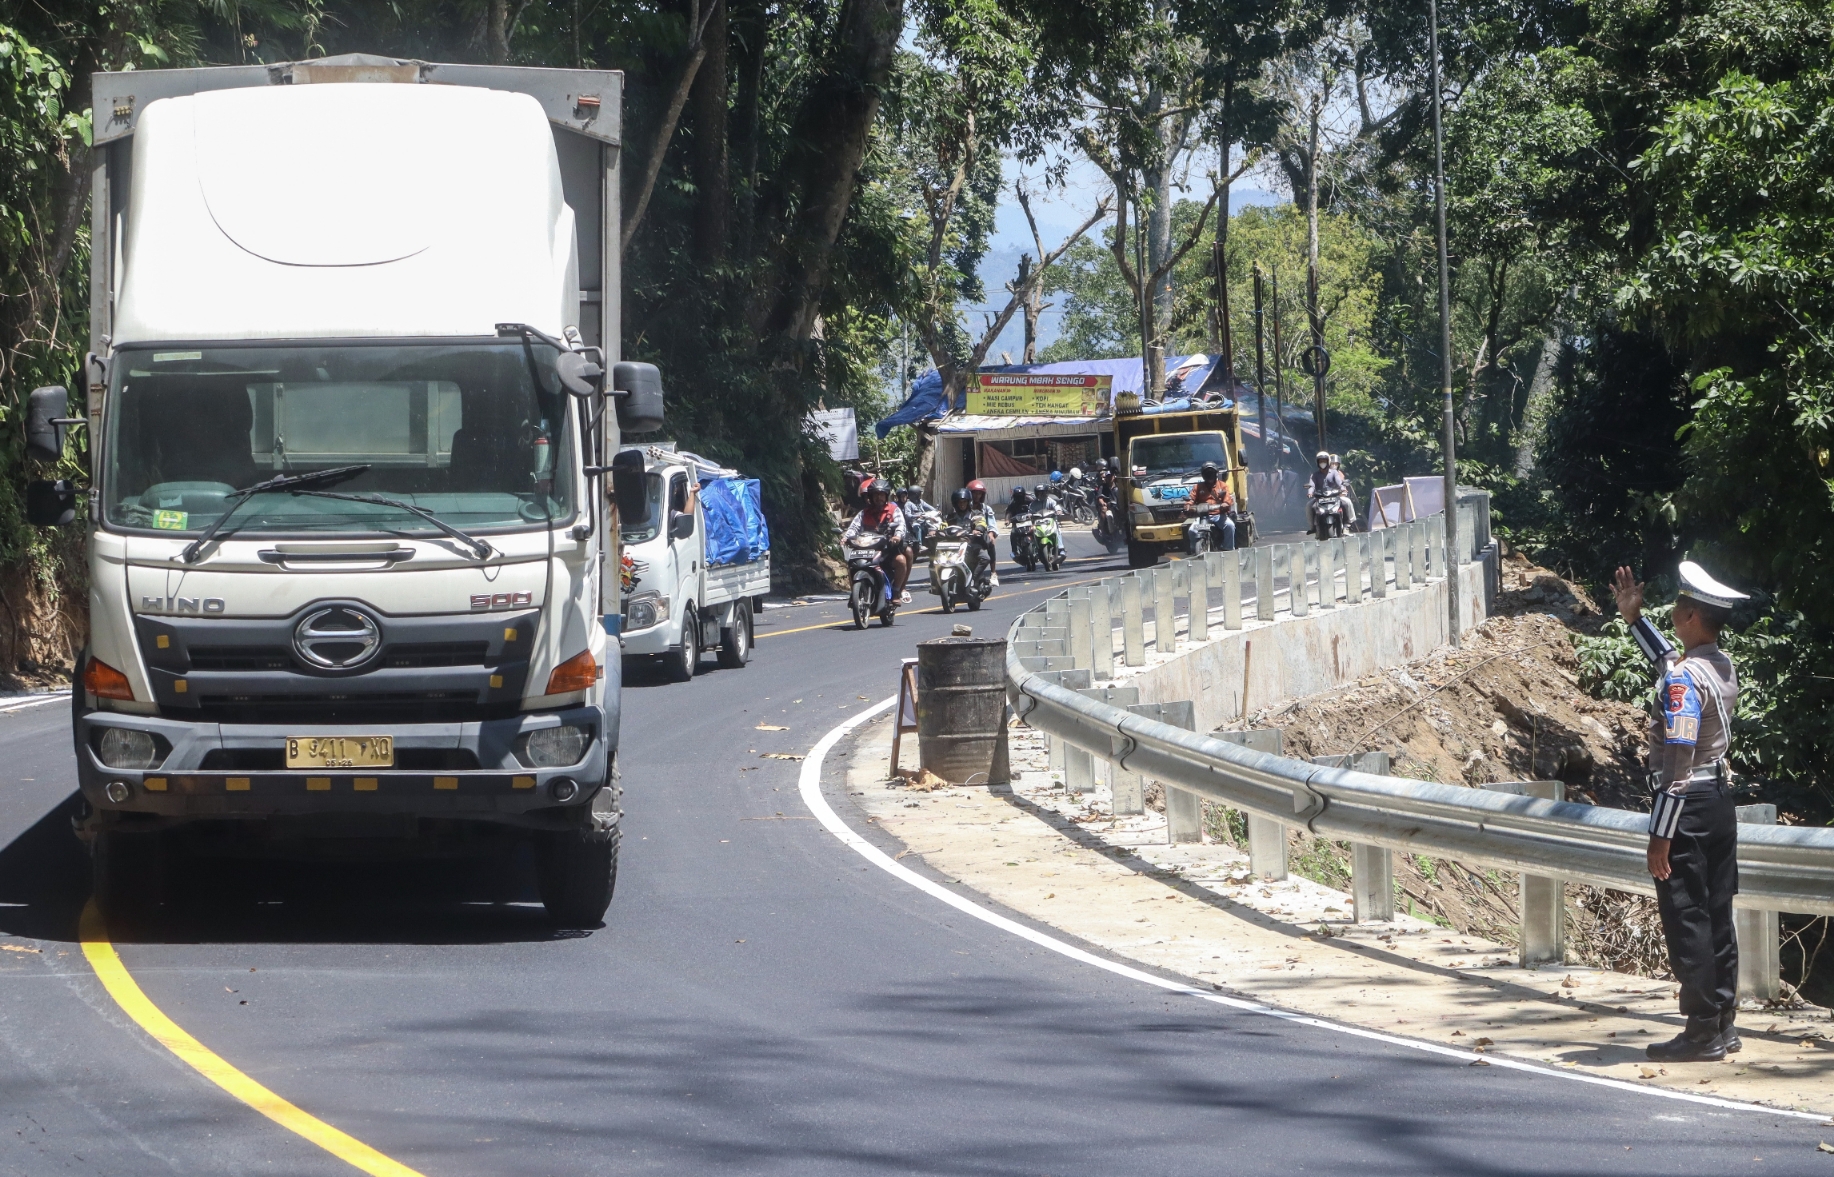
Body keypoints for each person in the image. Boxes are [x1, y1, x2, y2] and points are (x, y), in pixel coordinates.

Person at [1612, 560, 1748, 1063]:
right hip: (1719, 804)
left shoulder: (1683, 682)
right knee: (1717, 914)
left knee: (1687, 917)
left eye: (1677, 606)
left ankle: (1701, 1031)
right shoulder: (1720, 666)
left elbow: (1677, 764)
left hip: (1687, 807)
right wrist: (1635, 619)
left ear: (1690, 616)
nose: (1672, 612)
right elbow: (1671, 662)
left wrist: (1661, 833)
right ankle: (1723, 1021)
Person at [842, 477, 911, 604]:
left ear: (886, 496)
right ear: (871, 497)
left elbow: (901, 525)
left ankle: (896, 591)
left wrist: (897, 536)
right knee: (851, 564)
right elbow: (854, 527)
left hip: (886, 551)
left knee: (901, 560)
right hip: (867, 550)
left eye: (881, 495)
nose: (879, 498)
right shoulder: (864, 513)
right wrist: (846, 537)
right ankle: (855, 594)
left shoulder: (894, 510)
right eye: (875, 495)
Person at [945, 487, 998, 587]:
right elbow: (943, 526)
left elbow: (981, 522)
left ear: (968, 502)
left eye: (964, 502)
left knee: (985, 558)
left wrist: (978, 529)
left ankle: (974, 578)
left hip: (971, 544)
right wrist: (934, 531)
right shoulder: (950, 517)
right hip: (955, 546)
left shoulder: (975, 513)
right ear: (955, 503)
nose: (962, 504)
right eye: (959, 502)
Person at [1183, 460, 1236, 551]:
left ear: (1216, 474)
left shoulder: (1222, 486)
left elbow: (1227, 498)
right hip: (1203, 516)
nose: (1210, 476)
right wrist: (1188, 505)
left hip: (1219, 515)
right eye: (1207, 474)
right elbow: (1191, 498)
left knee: (1230, 526)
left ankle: (1228, 548)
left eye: (1211, 473)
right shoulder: (1197, 487)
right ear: (1203, 475)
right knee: (1192, 530)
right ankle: (1194, 549)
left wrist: (1225, 504)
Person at [1308, 451, 1346, 537]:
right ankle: (1313, 527)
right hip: (1320, 498)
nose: (1322, 463)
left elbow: (1339, 482)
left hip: (1334, 497)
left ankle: (1346, 526)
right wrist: (1310, 493)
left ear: (1328, 461)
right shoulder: (1314, 475)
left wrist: (1342, 488)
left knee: (1346, 503)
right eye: (1320, 461)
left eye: (1324, 461)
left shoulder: (1334, 473)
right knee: (1310, 507)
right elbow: (1311, 485)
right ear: (1317, 463)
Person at [1330, 454, 1357, 529]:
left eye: (1336, 464)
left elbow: (1343, 485)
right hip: (1324, 497)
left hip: (1337, 496)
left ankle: (1349, 522)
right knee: (1311, 505)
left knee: (1347, 502)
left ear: (1338, 465)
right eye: (1332, 463)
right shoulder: (1323, 473)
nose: (1334, 465)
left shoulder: (1340, 474)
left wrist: (1343, 491)